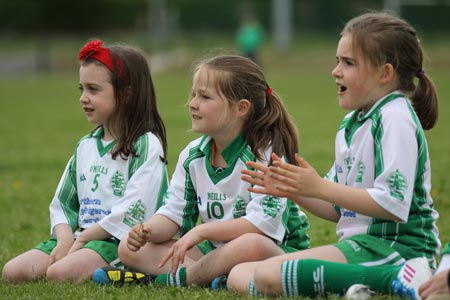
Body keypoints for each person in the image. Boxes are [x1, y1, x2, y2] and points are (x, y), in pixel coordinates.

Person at [227, 11, 440, 299]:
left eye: (348, 63)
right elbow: (337, 207)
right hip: (360, 247)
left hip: (398, 249)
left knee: (266, 274)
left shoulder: (394, 116)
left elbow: (394, 203)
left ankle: (398, 277)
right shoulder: (352, 124)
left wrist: (319, 186)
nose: (335, 71)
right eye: (337, 61)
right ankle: (361, 286)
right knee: (239, 273)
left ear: (385, 73)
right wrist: (294, 190)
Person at [92, 54, 310, 288]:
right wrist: (147, 231)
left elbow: (261, 226)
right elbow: (173, 214)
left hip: (274, 252)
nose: (192, 103)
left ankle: (170, 280)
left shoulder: (266, 154)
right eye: (193, 94)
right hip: (214, 252)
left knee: (249, 244)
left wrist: (203, 231)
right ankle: (213, 277)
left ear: (241, 108)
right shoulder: (193, 155)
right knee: (128, 247)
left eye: (205, 97)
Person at [1, 39, 169, 283]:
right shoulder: (85, 145)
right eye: (81, 89)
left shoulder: (146, 145)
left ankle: (126, 272)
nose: (83, 98)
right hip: (81, 236)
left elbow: (134, 210)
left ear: (126, 93)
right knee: (13, 272)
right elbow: (63, 202)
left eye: (93, 89)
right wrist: (65, 238)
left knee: (58, 274)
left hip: (117, 241)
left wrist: (83, 239)